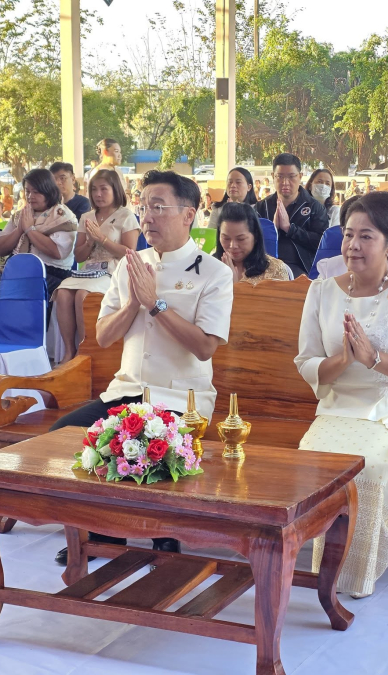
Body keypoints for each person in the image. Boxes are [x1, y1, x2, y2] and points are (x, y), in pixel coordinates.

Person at [49, 170, 234, 562]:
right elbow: (103, 336)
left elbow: (205, 347)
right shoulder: (130, 264)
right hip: (126, 391)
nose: (147, 217)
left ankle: (164, 534)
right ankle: (103, 531)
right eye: (144, 206)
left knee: (148, 445)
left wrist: (155, 304)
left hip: (180, 399)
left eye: (159, 207)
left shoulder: (214, 272)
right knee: (61, 436)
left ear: (189, 214)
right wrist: (134, 302)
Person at [295, 191, 388, 598]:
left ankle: (354, 575)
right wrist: (343, 360)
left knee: (369, 466)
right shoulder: (322, 292)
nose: (353, 245)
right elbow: (307, 362)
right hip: (337, 408)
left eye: (366, 236)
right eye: (349, 234)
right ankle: (326, 568)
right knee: (316, 463)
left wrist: (374, 359)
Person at [52, 169, 140, 363]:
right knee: (63, 293)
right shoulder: (87, 217)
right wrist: (90, 242)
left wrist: (102, 239)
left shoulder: (126, 216)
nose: (98, 194)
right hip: (89, 271)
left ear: (115, 189)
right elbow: (79, 256)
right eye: (94, 189)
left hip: (114, 270)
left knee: (83, 295)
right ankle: (69, 350)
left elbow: (129, 252)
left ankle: (86, 350)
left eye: (103, 189)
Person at [0, 169, 76, 332]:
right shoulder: (21, 215)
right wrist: (20, 230)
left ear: (48, 191)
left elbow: (57, 252)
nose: (30, 196)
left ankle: (26, 336)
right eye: (27, 191)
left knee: (24, 285)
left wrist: (30, 229)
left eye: (36, 192)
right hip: (16, 268)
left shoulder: (62, 216)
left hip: (49, 271)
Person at [255, 153, 329, 278]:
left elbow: (321, 243)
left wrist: (290, 229)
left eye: (291, 176)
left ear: (300, 176)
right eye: (280, 177)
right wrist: (272, 230)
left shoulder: (314, 208)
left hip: (301, 269)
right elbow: (250, 240)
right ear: (273, 176)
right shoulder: (261, 207)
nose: (285, 182)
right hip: (264, 267)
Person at [214, 202, 290, 284]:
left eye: (241, 239)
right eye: (226, 238)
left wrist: (235, 286)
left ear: (255, 236)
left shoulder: (275, 270)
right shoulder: (210, 265)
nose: (233, 246)